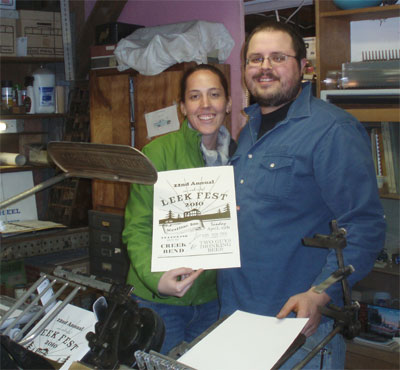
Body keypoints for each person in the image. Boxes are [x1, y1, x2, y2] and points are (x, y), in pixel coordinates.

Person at [217, 21, 386, 369]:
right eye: (255, 59)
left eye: (278, 57)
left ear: (303, 67)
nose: (264, 67)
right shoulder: (247, 130)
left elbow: (364, 227)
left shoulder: (332, 130)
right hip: (236, 315)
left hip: (297, 331)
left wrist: (319, 293)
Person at [122, 64, 235, 355]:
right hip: (158, 300)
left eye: (214, 94)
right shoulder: (157, 153)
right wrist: (156, 278)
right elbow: (136, 227)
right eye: (195, 97)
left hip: (213, 300)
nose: (206, 105)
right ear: (183, 107)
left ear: (229, 103)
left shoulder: (241, 156)